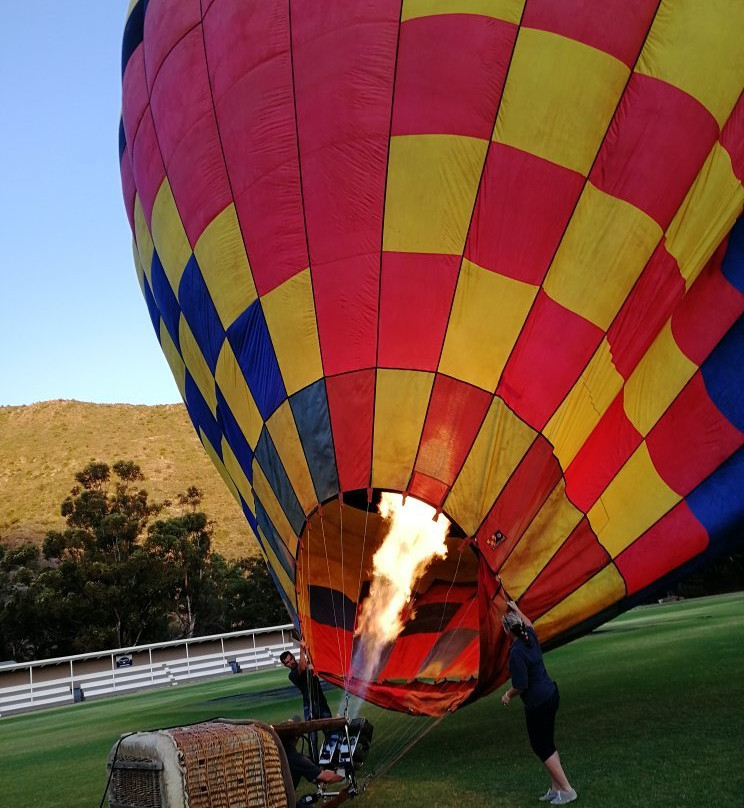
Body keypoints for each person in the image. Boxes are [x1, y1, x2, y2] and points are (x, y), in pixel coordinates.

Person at [501, 600, 577, 805]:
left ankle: (567, 790)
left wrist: (508, 694)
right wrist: (516, 609)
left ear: (507, 630)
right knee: (548, 744)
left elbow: (521, 685)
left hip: (538, 703)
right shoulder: (530, 637)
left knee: (540, 746)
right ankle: (556, 789)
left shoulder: (516, 652)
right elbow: (530, 624)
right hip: (551, 694)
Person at [280, 640, 333, 759]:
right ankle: (314, 761)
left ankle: (333, 755)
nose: (291, 662)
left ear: (293, 657)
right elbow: (303, 667)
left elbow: (312, 665)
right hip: (309, 706)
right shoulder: (292, 675)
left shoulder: (306, 665)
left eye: (291, 659)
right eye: (287, 662)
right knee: (312, 736)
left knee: (329, 730)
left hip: (321, 702)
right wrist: (301, 649)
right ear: (285, 665)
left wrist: (307, 650)